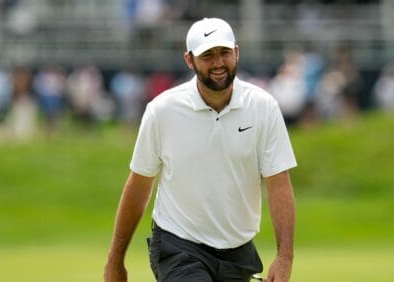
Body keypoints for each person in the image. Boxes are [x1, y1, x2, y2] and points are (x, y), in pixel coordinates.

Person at [104, 17, 297, 282]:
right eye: (208, 55)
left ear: (236, 53)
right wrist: (115, 260)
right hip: (179, 246)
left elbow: (279, 183)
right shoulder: (162, 110)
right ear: (189, 60)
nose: (218, 63)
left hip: (238, 251)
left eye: (224, 53)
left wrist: (285, 257)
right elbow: (139, 184)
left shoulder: (264, 107)